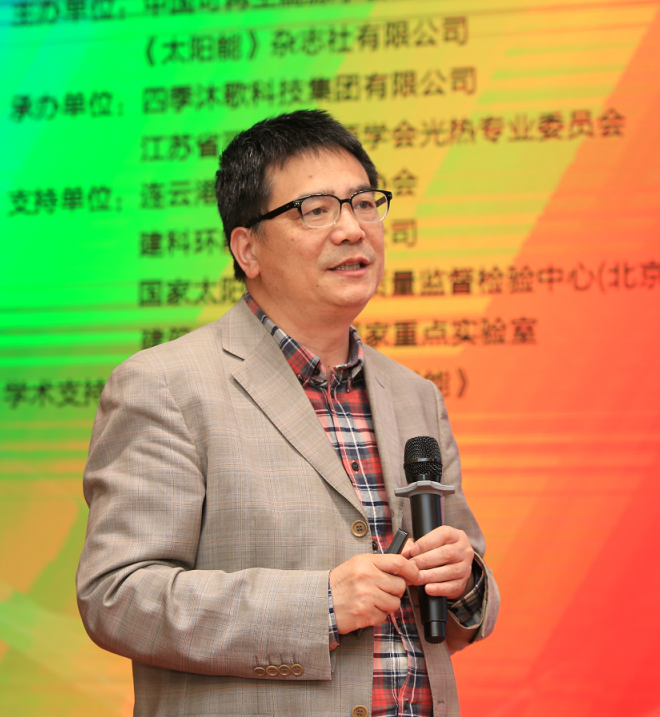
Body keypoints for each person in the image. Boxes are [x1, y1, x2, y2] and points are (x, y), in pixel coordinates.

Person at [76, 109, 499, 717]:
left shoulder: (414, 396)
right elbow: (117, 597)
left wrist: (465, 581)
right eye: (316, 210)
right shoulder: (166, 385)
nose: (352, 229)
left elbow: (457, 621)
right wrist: (319, 606)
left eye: (363, 203)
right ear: (247, 248)